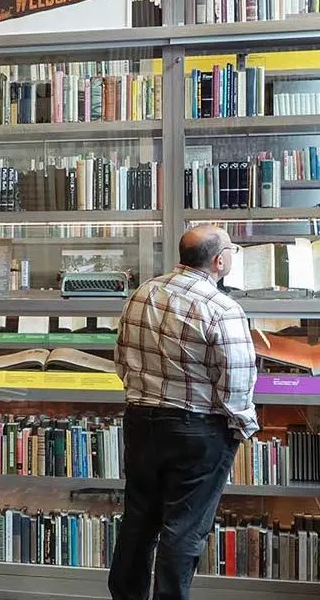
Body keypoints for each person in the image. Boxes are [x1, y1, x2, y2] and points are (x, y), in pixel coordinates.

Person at [109, 225, 257, 600]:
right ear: (219, 261)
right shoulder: (224, 309)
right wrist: (241, 428)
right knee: (183, 529)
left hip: (141, 421)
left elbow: (122, 359)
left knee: (139, 519)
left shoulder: (142, 293)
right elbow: (237, 383)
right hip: (198, 429)